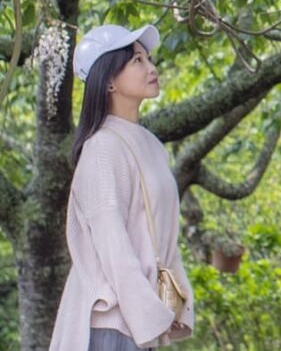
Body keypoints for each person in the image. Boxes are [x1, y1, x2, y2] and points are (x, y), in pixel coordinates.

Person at [49, 24, 195, 350]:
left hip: (141, 323)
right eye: (138, 61)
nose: (152, 68)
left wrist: (174, 303)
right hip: (111, 324)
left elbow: (163, 236)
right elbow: (112, 245)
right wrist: (149, 313)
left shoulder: (152, 146)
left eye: (148, 59)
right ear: (109, 81)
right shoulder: (102, 147)